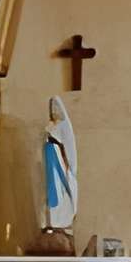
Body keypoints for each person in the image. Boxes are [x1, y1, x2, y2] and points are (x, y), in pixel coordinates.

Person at [43, 94, 78, 233]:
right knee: (55, 192)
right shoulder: (52, 126)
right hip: (53, 161)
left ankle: (59, 221)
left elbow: (68, 149)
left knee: (60, 194)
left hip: (60, 163)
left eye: (56, 109)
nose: (54, 112)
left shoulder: (64, 126)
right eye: (53, 109)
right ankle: (55, 220)